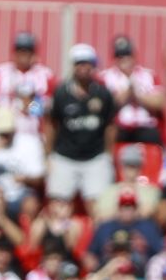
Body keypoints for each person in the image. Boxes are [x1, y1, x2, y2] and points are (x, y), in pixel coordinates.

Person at [45, 45, 117, 206]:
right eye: (79, 63)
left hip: (95, 157)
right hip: (65, 156)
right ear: (73, 66)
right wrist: (49, 154)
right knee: (58, 204)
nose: (83, 68)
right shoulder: (61, 93)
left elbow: (110, 125)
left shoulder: (103, 94)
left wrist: (108, 154)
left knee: (98, 205)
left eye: (87, 63)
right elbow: (51, 124)